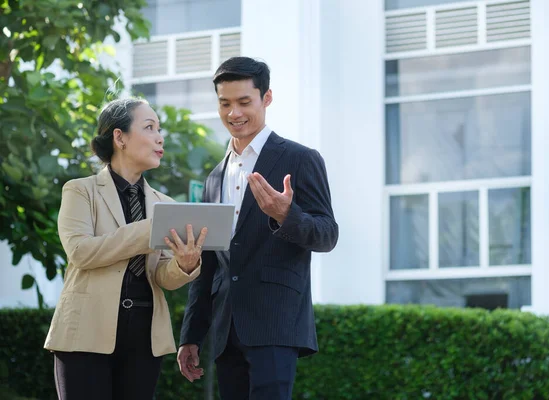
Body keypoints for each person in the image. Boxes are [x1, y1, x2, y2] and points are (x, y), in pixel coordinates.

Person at [177, 57, 339, 400]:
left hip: (275, 321)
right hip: (226, 330)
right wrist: (191, 335)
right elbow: (208, 262)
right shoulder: (214, 177)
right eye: (225, 104)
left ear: (266, 98)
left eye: (244, 102)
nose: (233, 113)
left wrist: (286, 214)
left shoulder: (300, 158)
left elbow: (327, 234)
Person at [44, 98, 208, 400]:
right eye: (149, 127)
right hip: (85, 333)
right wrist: (150, 228)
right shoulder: (81, 190)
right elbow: (81, 252)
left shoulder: (166, 204)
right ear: (119, 137)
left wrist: (184, 264)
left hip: (145, 337)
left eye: (160, 129)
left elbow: (161, 276)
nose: (160, 137)